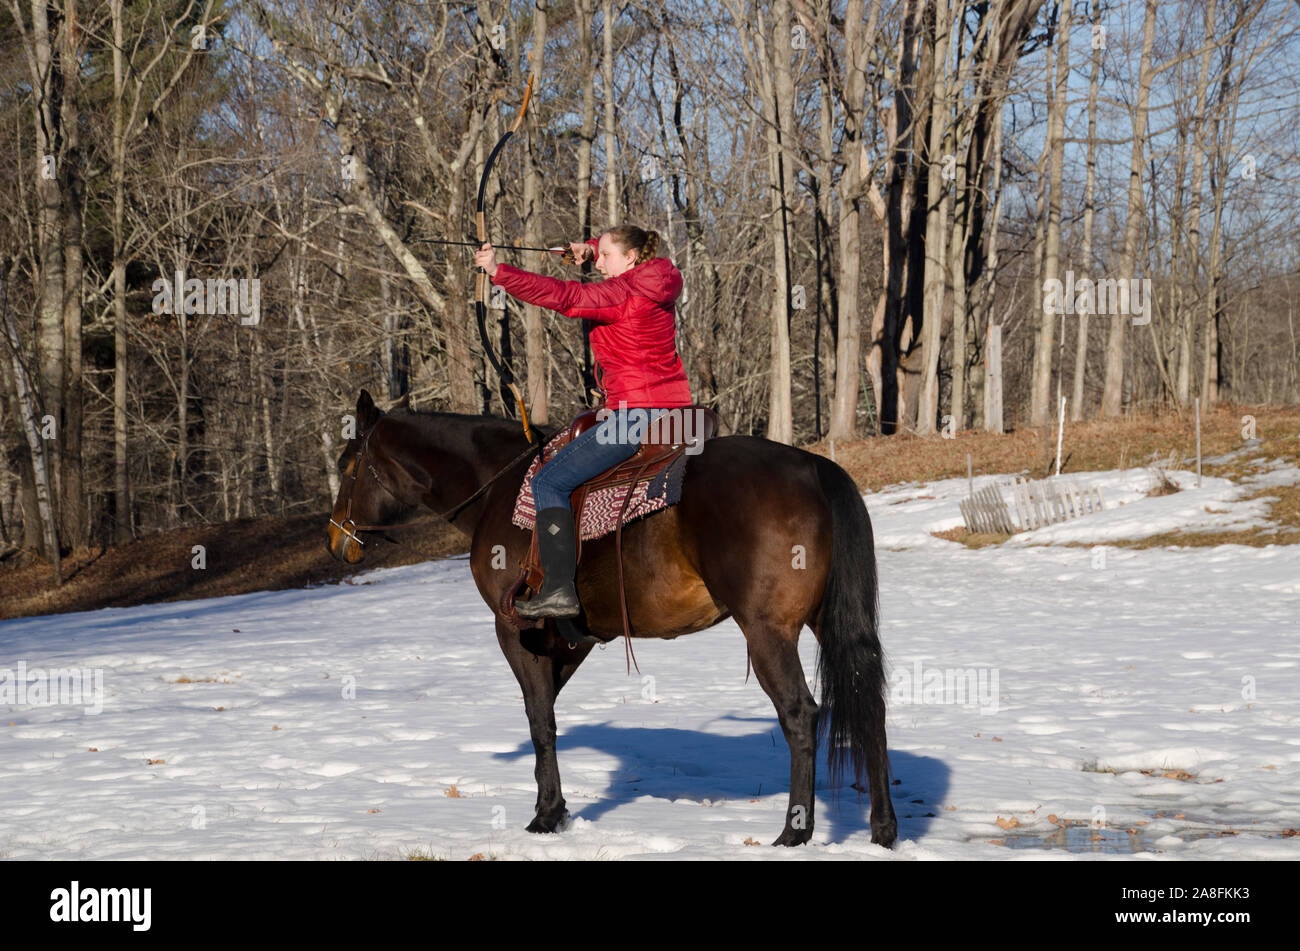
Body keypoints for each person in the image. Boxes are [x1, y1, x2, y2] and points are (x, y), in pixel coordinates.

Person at [474, 225, 693, 618]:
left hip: (636, 414)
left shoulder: (622, 293)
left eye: (607, 257)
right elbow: (609, 258)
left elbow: (566, 296)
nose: (602, 265)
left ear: (629, 259)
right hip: (675, 410)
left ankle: (558, 589)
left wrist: (499, 273)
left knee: (549, 481)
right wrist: (590, 250)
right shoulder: (661, 274)